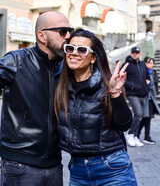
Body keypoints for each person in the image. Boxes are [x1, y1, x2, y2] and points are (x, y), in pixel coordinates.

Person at [54, 29, 137, 186]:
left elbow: (124, 124)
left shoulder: (108, 84)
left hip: (112, 168)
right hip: (78, 171)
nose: (74, 53)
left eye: (82, 50)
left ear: (93, 58)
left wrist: (115, 93)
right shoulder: (60, 87)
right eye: (70, 48)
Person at [0, 11, 74, 186]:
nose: (68, 36)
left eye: (70, 31)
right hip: (19, 163)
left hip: (54, 163)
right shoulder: (17, 60)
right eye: (62, 31)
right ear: (42, 35)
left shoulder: (66, 67)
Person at [123, 47, 150, 147]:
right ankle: (130, 134)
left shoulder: (142, 64)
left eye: (137, 52)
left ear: (139, 53)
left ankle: (134, 136)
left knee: (141, 115)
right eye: (133, 52)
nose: (135, 54)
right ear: (131, 53)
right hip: (132, 93)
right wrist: (132, 86)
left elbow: (147, 76)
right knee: (138, 113)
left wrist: (147, 83)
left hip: (143, 93)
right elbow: (122, 78)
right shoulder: (127, 64)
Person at [138, 57, 160, 144]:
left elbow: (155, 84)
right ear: (145, 63)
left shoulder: (154, 72)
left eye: (152, 63)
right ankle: (136, 132)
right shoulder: (141, 72)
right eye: (150, 63)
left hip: (151, 98)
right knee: (145, 117)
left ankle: (147, 136)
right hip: (144, 97)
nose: (152, 65)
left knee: (149, 117)